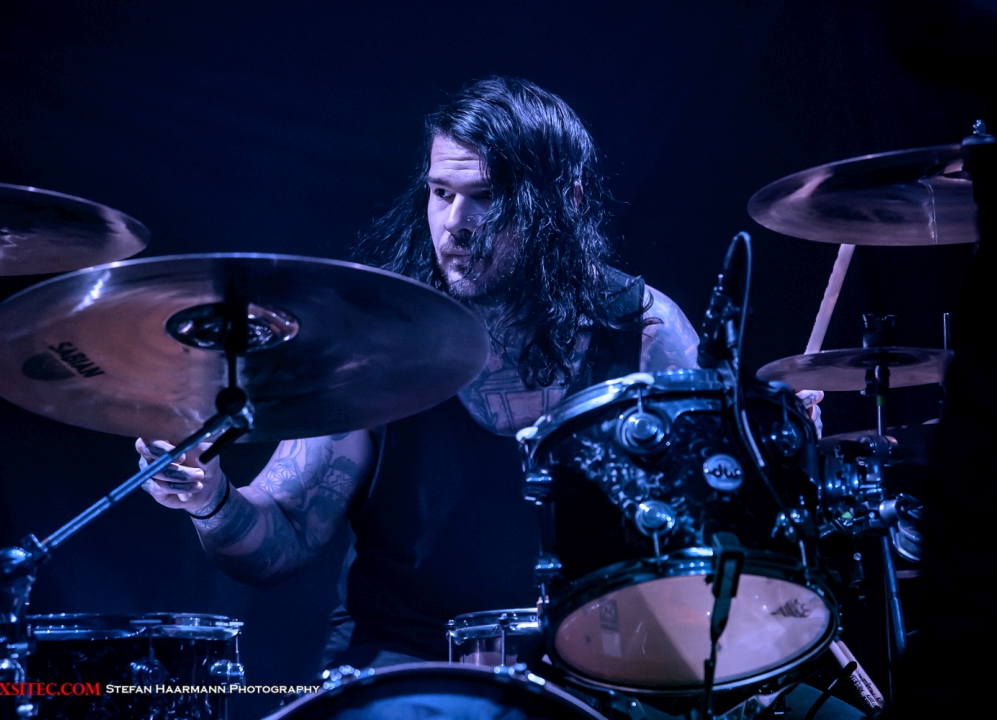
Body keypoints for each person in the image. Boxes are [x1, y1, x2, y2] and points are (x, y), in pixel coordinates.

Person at [137, 78, 850, 719]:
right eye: (441, 193)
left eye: (487, 197)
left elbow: (714, 536)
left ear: (566, 202)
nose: (455, 224)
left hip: (607, 676)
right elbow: (282, 538)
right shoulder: (380, 343)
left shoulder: (643, 330)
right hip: (411, 672)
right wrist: (210, 496)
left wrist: (773, 463)